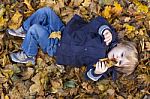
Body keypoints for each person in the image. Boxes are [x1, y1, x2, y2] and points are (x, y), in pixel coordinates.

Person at [7, 7, 138, 81]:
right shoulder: (109, 37)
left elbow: (88, 76)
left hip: (59, 48)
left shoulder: (102, 66)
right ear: (119, 45)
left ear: (116, 68)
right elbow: (97, 22)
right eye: (121, 54)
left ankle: (29, 53)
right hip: (64, 31)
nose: (117, 58)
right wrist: (105, 30)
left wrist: (97, 72)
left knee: (36, 30)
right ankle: (24, 29)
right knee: (45, 12)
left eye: (119, 62)